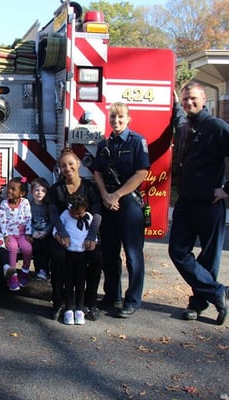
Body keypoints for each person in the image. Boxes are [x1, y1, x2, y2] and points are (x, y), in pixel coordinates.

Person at [169, 82, 229, 325]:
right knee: (176, 251)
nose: (189, 103)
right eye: (186, 99)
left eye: (193, 99)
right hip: (186, 203)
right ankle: (217, 291)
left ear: (204, 99)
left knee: (208, 258)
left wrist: (228, 189)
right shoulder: (185, 125)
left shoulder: (216, 127)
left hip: (210, 204)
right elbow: (178, 115)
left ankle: (198, 304)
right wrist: (175, 100)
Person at [93, 102, 150, 318]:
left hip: (129, 205)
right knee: (109, 253)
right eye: (113, 118)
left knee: (133, 255)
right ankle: (112, 296)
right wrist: (106, 196)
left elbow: (141, 173)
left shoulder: (137, 141)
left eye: (120, 117)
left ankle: (133, 300)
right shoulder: (103, 145)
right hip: (108, 204)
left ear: (128, 119)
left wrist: (117, 194)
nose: (116, 121)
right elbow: (97, 173)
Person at [47, 148, 103, 322]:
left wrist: (92, 236)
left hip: (87, 234)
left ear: (78, 164)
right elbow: (54, 214)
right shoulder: (57, 189)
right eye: (63, 166)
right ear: (60, 169)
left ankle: (89, 303)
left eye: (71, 164)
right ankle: (59, 303)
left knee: (96, 259)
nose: (68, 168)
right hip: (63, 236)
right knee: (57, 257)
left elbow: (97, 214)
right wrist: (61, 234)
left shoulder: (90, 187)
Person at [53, 194, 92, 325]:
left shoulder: (89, 218)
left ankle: (79, 309)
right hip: (69, 254)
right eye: (74, 214)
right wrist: (60, 238)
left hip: (82, 255)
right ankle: (69, 309)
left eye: (80, 213)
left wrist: (92, 242)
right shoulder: (65, 215)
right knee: (69, 282)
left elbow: (93, 234)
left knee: (80, 283)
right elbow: (56, 230)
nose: (77, 216)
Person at [0, 176, 33, 287]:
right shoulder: (4, 204)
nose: (9, 191)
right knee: (12, 248)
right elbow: (2, 221)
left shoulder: (25, 203)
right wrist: (5, 235)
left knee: (28, 249)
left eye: (13, 189)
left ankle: (25, 272)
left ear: (21, 193)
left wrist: (28, 233)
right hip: (10, 234)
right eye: (8, 188)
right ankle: (12, 277)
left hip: (22, 234)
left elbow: (28, 218)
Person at [30, 177, 52, 281]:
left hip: (45, 234)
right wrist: (32, 232)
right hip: (33, 234)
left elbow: (52, 221)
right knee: (37, 249)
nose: (39, 193)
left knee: (46, 249)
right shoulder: (28, 205)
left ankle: (45, 270)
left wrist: (45, 232)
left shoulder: (48, 207)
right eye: (37, 190)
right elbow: (26, 220)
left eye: (43, 190)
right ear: (32, 191)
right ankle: (38, 270)